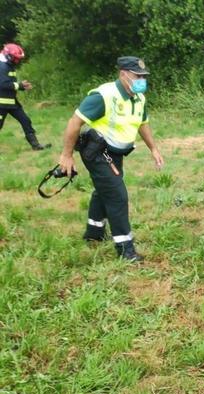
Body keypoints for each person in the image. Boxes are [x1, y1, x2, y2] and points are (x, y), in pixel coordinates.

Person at [58, 56, 164, 262]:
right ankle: (126, 249)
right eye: (137, 75)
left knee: (104, 190)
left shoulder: (139, 97)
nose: (142, 79)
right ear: (123, 74)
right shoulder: (103, 95)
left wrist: (154, 149)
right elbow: (75, 122)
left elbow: (143, 123)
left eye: (144, 76)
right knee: (117, 196)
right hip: (97, 152)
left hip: (116, 154)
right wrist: (66, 155)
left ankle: (94, 233)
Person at [0, 43, 51, 150]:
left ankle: (35, 145)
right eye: (15, 58)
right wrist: (19, 85)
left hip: (11, 103)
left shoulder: (7, 66)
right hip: (1, 104)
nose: (17, 61)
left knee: (25, 120)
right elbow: (3, 84)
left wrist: (21, 87)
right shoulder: (2, 66)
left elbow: (10, 84)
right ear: (8, 55)